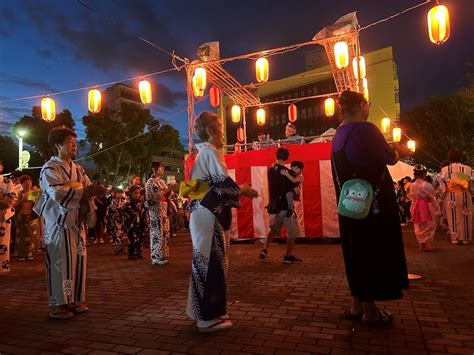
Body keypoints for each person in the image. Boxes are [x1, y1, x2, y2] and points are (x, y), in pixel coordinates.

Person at [331, 90, 409, 327]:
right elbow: (389, 158)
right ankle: (371, 310)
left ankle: (357, 304)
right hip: (372, 205)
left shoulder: (338, 134)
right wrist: (398, 151)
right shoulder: (367, 129)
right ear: (363, 105)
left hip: (349, 203)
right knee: (372, 251)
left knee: (355, 251)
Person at [183, 111, 257, 332]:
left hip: (201, 212)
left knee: (205, 262)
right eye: (220, 128)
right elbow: (224, 186)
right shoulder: (210, 153)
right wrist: (241, 189)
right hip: (207, 215)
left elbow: (202, 187)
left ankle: (206, 311)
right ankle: (207, 316)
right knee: (210, 264)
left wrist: (236, 189)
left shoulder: (203, 155)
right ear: (209, 131)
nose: (224, 132)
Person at [33, 126, 92, 319]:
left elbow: (89, 189)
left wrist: (79, 190)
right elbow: (57, 193)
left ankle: (74, 299)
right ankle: (57, 304)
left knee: (78, 261)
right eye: (69, 141)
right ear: (58, 145)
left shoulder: (79, 169)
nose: (74, 144)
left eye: (75, 141)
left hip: (76, 223)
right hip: (58, 224)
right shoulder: (50, 168)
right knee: (60, 263)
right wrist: (80, 190)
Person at [259, 148, 303, 263]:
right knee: (292, 233)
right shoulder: (288, 172)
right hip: (285, 207)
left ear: (276, 156)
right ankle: (288, 256)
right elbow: (295, 188)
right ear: (287, 157)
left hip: (274, 206)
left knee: (272, 230)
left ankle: (264, 249)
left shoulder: (271, 170)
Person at [440, 149, 472, 244]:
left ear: (449, 158)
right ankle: (465, 237)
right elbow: (470, 182)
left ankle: (455, 238)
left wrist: (442, 196)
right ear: (461, 157)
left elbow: (443, 185)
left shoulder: (445, 169)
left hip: (451, 195)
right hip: (465, 193)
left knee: (453, 215)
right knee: (465, 215)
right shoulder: (467, 169)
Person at [145, 161, 173, 265]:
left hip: (163, 209)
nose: (162, 170)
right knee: (157, 232)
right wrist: (168, 190)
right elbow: (156, 196)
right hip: (156, 210)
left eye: (162, 168)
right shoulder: (151, 182)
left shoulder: (161, 181)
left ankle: (162, 254)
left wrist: (170, 190)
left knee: (164, 232)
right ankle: (155, 256)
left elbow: (167, 195)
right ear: (154, 169)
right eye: (160, 168)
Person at [410, 165, 439, 251]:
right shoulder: (427, 185)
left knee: (418, 224)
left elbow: (412, 196)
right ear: (424, 174)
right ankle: (426, 242)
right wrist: (437, 209)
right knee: (430, 224)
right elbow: (432, 197)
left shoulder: (412, 185)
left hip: (416, 205)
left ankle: (421, 242)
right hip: (427, 205)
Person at [14, 175, 40, 260]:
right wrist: (22, 200)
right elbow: (14, 205)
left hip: (31, 216)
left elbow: (38, 205)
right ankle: (21, 254)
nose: (28, 184)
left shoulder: (34, 192)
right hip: (21, 216)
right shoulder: (19, 193)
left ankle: (30, 253)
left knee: (31, 235)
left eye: (29, 182)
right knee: (21, 235)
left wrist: (34, 202)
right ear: (22, 184)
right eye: (26, 182)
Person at [124, 185, 147, 260]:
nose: (137, 195)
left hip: (139, 224)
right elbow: (127, 212)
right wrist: (136, 210)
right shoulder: (128, 203)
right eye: (135, 193)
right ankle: (131, 253)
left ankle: (139, 252)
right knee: (132, 239)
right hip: (131, 225)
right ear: (131, 194)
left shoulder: (141, 203)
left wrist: (141, 209)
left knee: (139, 239)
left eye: (138, 193)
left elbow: (144, 212)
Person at [106, 188, 126, 254]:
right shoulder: (113, 201)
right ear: (115, 194)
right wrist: (120, 208)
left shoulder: (123, 200)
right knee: (116, 233)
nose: (120, 195)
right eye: (118, 193)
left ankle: (119, 247)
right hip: (115, 219)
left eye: (121, 193)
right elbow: (112, 209)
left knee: (120, 234)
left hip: (121, 219)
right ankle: (117, 248)